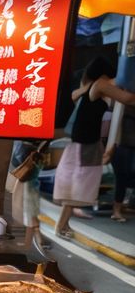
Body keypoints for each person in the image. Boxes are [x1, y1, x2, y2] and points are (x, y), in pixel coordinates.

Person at [54, 57, 135, 238]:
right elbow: (128, 99)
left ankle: (64, 225)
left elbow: (77, 94)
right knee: (76, 189)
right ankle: (60, 227)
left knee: (75, 188)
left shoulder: (85, 89)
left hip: (81, 146)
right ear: (104, 74)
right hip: (84, 148)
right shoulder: (100, 85)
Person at [107, 105, 135, 222]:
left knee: (124, 177)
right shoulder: (122, 104)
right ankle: (116, 210)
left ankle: (121, 207)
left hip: (126, 145)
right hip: (122, 145)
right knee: (122, 177)